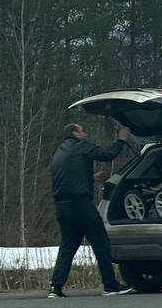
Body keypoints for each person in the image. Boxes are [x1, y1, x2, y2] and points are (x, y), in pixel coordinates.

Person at [48, 123, 134, 297]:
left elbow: (67, 176)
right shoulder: (81, 146)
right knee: (101, 243)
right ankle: (110, 286)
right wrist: (121, 139)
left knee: (67, 247)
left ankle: (55, 288)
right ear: (75, 133)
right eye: (82, 130)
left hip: (62, 207)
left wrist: (91, 178)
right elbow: (107, 155)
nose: (85, 133)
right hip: (81, 205)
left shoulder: (59, 152)